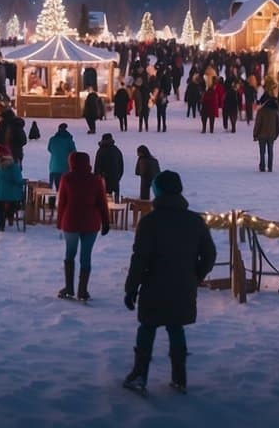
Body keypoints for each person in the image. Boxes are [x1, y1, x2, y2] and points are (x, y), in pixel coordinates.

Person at [122, 171, 216, 394]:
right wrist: (195, 275)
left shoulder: (150, 222)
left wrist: (131, 288)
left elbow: (140, 258)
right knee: (176, 327)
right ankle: (179, 376)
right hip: (183, 285)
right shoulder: (194, 221)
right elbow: (210, 254)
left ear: (158, 192)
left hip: (154, 284)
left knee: (147, 327)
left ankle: (139, 373)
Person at [57, 151, 111, 301]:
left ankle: (69, 288)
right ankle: (82, 290)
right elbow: (102, 203)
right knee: (86, 256)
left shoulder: (67, 179)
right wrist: (106, 221)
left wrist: (59, 221)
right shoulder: (96, 180)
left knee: (70, 254)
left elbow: (62, 202)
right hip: (91, 222)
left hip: (71, 221)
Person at [0, 144, 24, 232]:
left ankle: (1, 225)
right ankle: (10, 216)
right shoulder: (14, 167)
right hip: (13, 194)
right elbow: (18, 180)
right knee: (14, 202)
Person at [253, 94, 279, 172]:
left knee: (262, 152)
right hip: (271, 134)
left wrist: (255, 134)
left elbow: (257, 124)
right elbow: (278, 125)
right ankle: (270, 166)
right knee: (270, 151)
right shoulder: (275, 111)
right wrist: (276, 134)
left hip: (261, 134)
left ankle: (262, 166)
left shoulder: (261, 111)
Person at [94, 133, 124, 202]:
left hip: (104, 179)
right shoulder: (116, 150)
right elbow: (121, 166)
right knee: (115, 198)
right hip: (115, 178)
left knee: (104, 200)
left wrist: (97, 177)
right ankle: (116, 209)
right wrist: (118, 176)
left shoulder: (101, 151)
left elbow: (97, 166)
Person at [46, 123, 77, 190]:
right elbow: (74, 153)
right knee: (65, 190)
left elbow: (49, 149)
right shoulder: (69, 141)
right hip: (66, 168)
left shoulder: (52, 139)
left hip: (53, 168)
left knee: (55, 191)